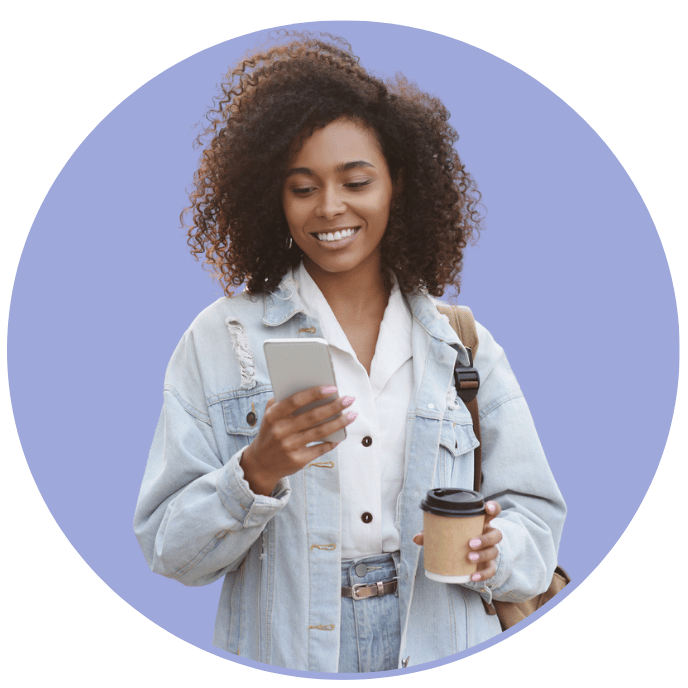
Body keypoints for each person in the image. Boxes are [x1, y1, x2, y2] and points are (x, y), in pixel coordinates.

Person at [133, 33, 566, 673]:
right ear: (271, 199)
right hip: (287, 649)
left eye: (355, 180)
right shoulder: (220, 340)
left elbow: (536, 515)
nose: (330, 207)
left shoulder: (462, 343)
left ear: (399, 185)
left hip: (441, 640)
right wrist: (254, 472)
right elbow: (169, 549)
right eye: (302, 188)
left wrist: (495, 550)